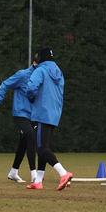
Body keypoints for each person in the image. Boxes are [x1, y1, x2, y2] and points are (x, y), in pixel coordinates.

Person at [23, 47, 73, 190]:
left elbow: (31, 88)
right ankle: (38, 181)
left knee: (41, 148)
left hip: (41, 112)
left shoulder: (40, 70)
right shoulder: (59, 72)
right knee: (44, 146)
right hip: (54, 113)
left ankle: (63, 173)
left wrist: (31, 98)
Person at [0, 54, 39, 184]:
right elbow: (5, 84)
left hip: (33, 115)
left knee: (23, 143)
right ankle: (34, 174)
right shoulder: (23, 75)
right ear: (35, 63)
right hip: (20, 114)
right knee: (30, 136)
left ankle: (13, 172)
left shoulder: (41, 77)